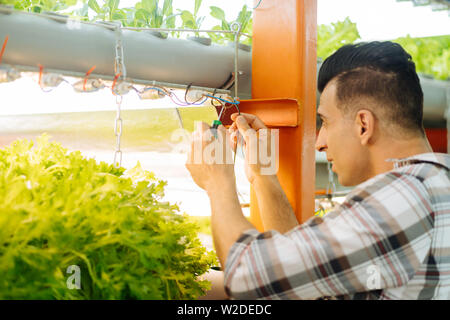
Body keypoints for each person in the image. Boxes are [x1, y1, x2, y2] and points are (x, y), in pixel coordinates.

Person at [186, 41, 450, 299]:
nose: (320, 142)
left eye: (325, 121)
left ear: (363, 125)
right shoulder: (433, 185)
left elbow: (248, 278)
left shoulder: (399, 200)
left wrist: (218, 182)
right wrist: (263, 175)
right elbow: (299, 282)